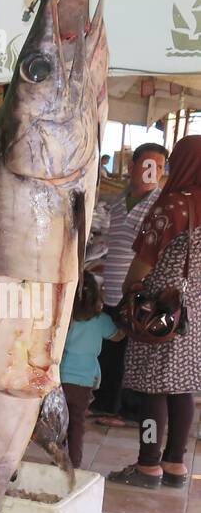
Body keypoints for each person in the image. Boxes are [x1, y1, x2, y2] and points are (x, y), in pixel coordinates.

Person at [108, 135, 201, 491]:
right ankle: (175, 463)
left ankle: (149, 464)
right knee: (183, 390)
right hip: (195, 311)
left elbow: (143, 262)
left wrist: (130, 290)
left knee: (153, 390)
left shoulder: (173, 205)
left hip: (161, 307)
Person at [90, 142, 167, 426]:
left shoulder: (160, 205)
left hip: (138, 291)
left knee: (132, 353)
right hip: (112, 288)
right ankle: (107, 403)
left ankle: (128, 411)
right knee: (112, 350)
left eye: (158, 167)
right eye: (147, 164)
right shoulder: (120, 202)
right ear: (133, 167)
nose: (152, 172)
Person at [60, 286, 123, 469]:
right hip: (84, 381)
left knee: (58, 420)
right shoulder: (101, 320)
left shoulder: (65, 317)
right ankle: (74, 461)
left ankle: (58, 457)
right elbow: (117, 336)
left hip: (60, 377)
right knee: (77, 422)